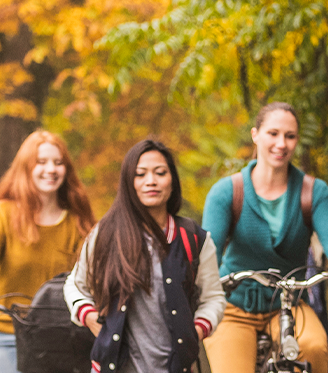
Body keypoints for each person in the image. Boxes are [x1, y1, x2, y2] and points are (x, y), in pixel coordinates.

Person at [200, 102, 328, 373]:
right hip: (233, 306)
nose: (281, 143)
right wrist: (193, 294)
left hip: (289, 304)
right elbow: (207, 252)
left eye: (290, 136)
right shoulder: (227, 192)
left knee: (313, 348)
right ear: (255, 135)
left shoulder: (314, 192)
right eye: (273, 133)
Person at [66, 139, 227, 373]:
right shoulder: (106, 233)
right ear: (128, 183)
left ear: (172, 181)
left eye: (160, 173)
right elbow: (75, 285)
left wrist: (197, 329)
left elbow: (214, 298)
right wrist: (87, 316)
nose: (151, 181)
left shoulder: (194, 239)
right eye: (140, 174)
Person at [0, 130, 98, 373]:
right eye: (41, 162)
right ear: (27, 168)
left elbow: (92, 278)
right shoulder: (3, 214)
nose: (51, 169)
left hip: (56, 338)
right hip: (2, 334)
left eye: (58, 163)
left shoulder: (77, 223)